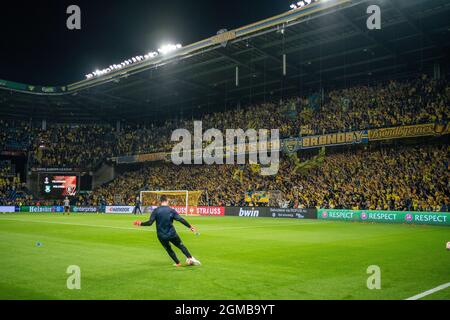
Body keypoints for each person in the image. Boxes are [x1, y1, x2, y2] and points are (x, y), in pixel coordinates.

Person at [133, 195, 201, 267]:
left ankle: (178, 263)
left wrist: (140, 224)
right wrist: (190, 227)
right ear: (166, 200)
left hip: (162, 236)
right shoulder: (171, 210)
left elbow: (150, 223)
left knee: (168, 249)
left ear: (160, 201)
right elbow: (180, 219)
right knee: (181, 246)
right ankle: (190, 258)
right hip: (172, 234)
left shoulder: (156, 211)